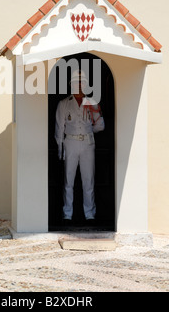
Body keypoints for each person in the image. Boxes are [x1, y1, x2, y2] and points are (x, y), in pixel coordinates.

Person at [55, 70, 105, 224]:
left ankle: (89, 214)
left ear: (85, 85)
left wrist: (89, 132)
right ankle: (67, 214)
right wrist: (60, 149)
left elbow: (100, 125)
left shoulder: (92, 103)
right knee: (68, 180)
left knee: (88, 180)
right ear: (70, 85)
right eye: (75, 83)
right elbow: (59, 129)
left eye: (81, 83)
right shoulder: (64, 104)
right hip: (70, 142)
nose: (78, 86)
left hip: (87, 143)